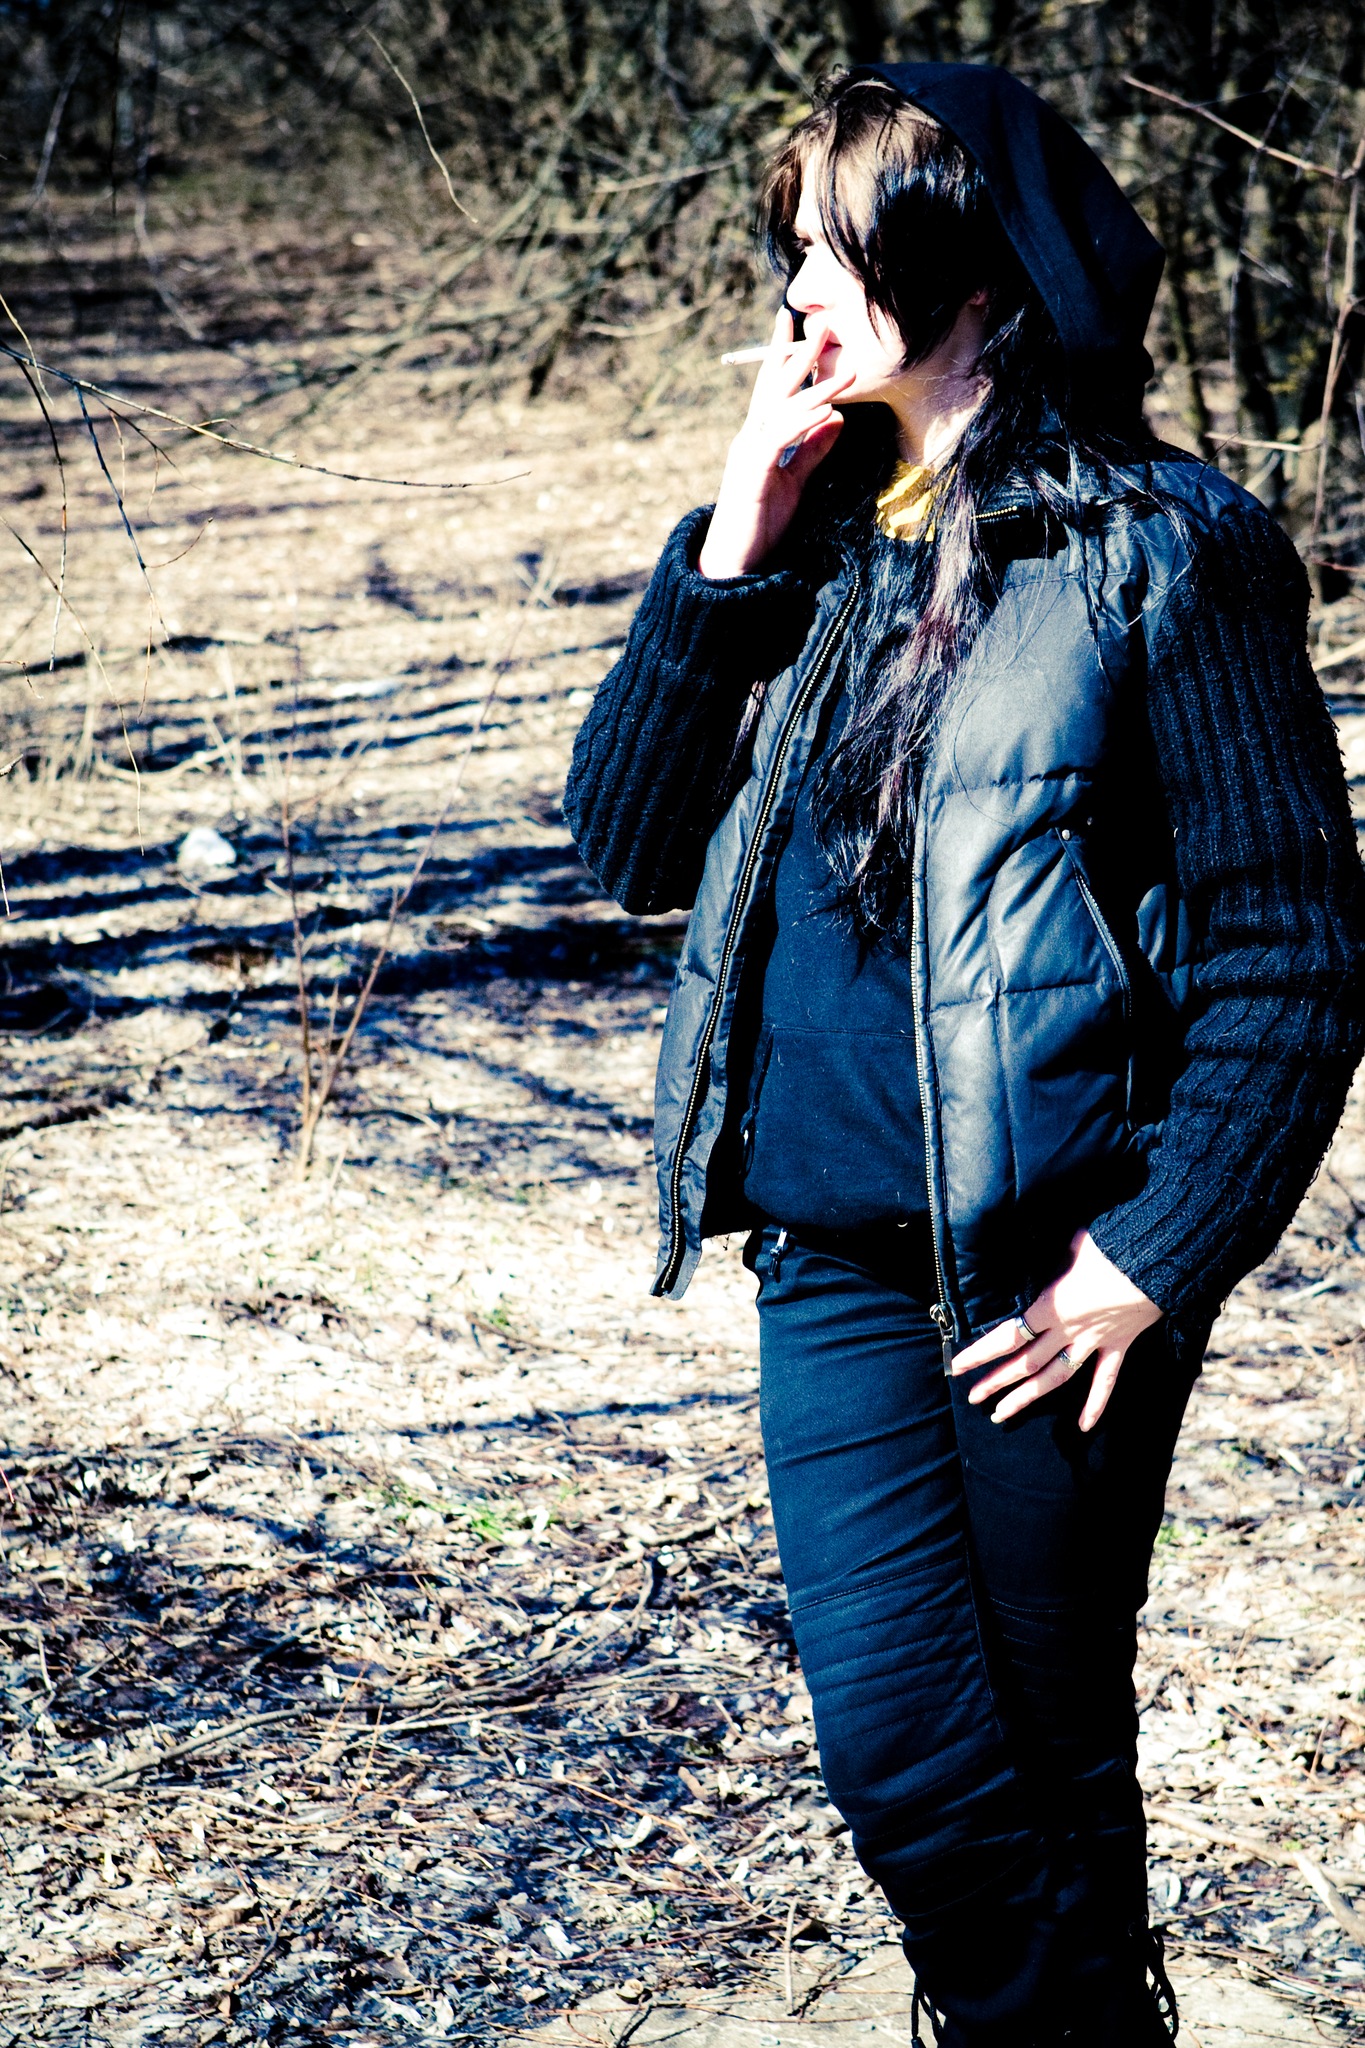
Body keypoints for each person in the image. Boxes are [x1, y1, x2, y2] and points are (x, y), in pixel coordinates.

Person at [564, 60, 1365, 2048]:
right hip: (825, 1254)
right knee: (904, 1761)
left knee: (1039, 1747)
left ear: (977, 279)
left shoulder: (1165, 548)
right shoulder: (814, 540)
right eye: (789, 252)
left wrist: (1153, 1253)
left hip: (1052, 1265)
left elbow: (1290, 948)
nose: (794, 296)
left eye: (835, 254)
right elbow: (625, 850)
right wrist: (728, 544)